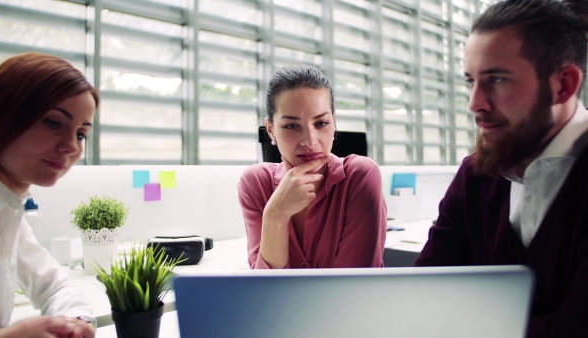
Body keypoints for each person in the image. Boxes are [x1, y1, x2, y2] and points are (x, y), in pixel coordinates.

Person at [414, 0, 588, 337]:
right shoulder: (476, 175)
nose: (475, 103)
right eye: (471, 81)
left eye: (496, 79)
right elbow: (427, 296)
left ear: (564, 85)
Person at [0, 53, 99, 338]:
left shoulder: (8, 210)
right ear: (0, 111)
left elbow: (54, 285)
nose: (71, 147)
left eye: (81, 134)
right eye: (53, 123)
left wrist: (75, 322)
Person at [237, 64, 386, 269]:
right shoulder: (256, 183)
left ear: (334, 123)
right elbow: (264, 289)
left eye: (321, 123)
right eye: (291, 126)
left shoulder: (360, 176)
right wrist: (275, 215)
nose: (309, 140)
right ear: (271, 130)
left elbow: (353, 287)